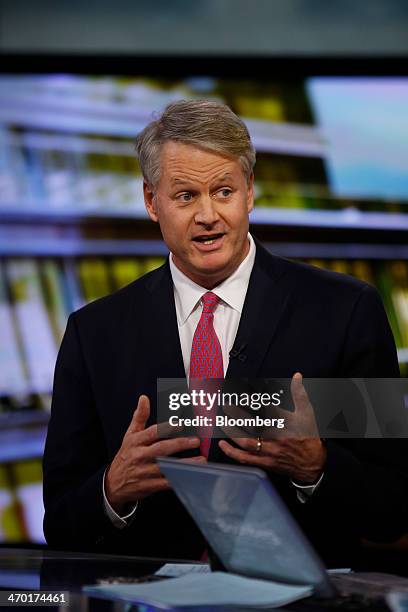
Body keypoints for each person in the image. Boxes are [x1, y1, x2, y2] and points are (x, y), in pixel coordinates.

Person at [43, 100, 407, 568]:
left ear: (250, 192)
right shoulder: (94, 334)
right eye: (185, 196)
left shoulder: (343, 312)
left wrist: (316, 468)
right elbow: (60, 523)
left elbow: (394, 507)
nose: (208, 215)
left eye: (223, 191)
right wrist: (114, 489)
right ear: (152, 201)